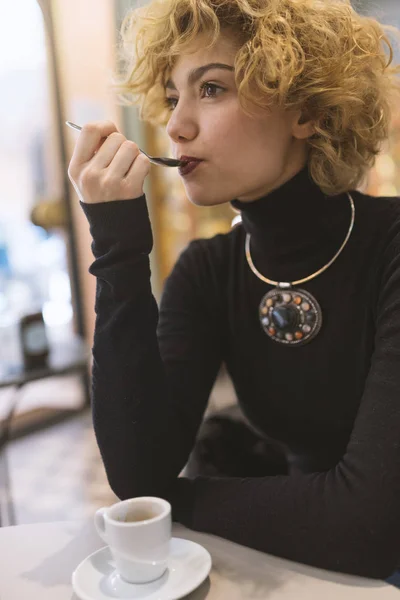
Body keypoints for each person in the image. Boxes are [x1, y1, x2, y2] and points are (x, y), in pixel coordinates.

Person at [67, 0, 400, 582]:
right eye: (173, 97)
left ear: (306, 108)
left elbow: (373, 526)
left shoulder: (391, 244)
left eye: (212, 89)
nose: (175, 125)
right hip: (312, 564)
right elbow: (139, 474)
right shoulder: (209, 270)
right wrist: (118, 251)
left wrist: (179, 502)